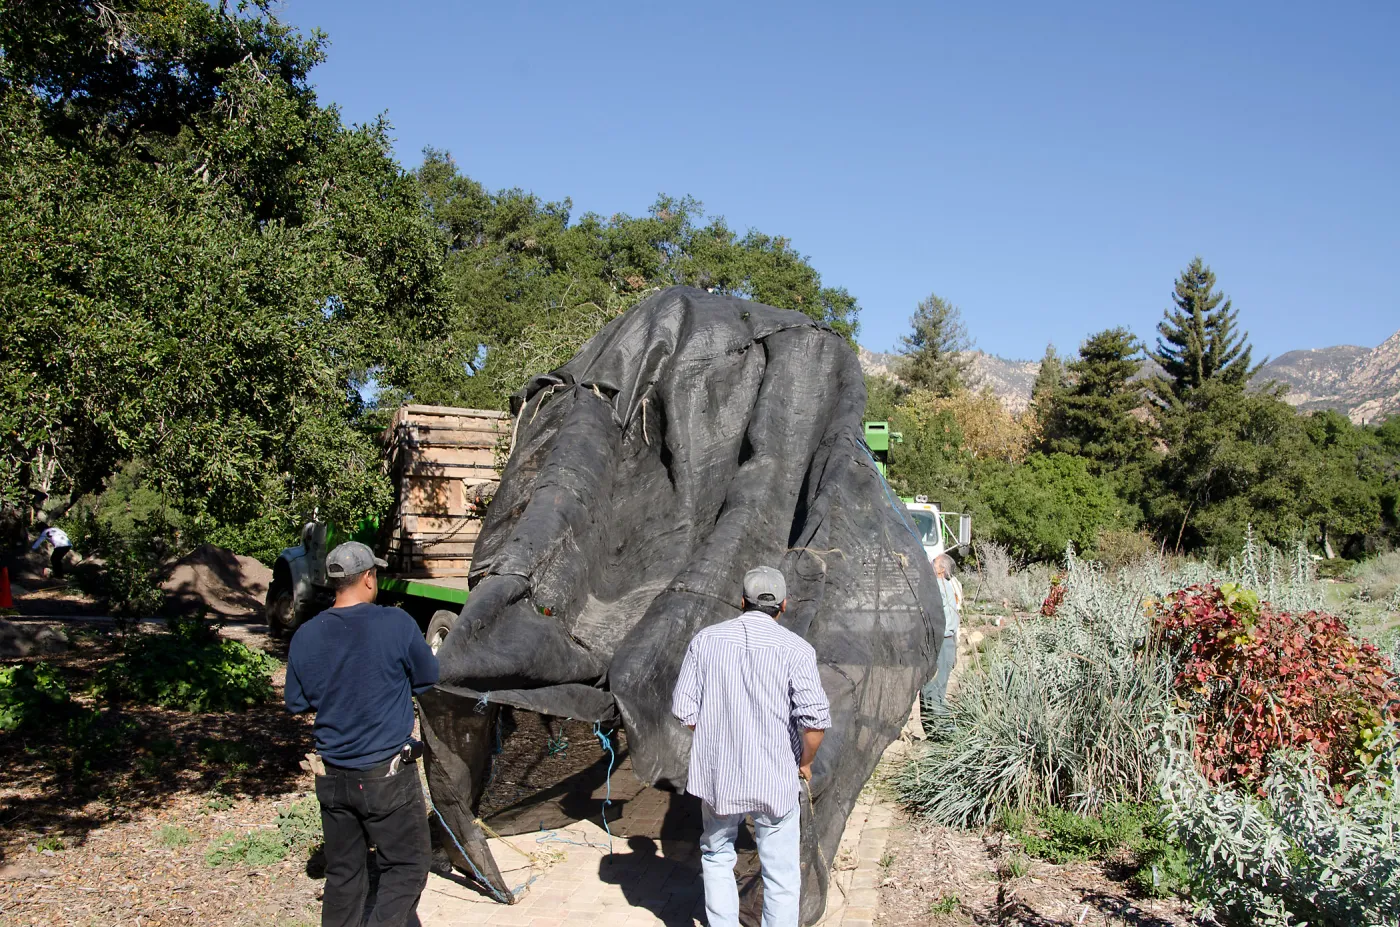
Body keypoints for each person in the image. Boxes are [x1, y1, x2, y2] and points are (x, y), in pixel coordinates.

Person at [285, 541, 440, 927]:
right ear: (369, 577)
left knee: (344, 875)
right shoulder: (396, 624)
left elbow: (296, 703)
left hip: (334, 777)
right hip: (387, 778)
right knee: (407, 866)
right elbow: (428, 678)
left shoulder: (305, 635)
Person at [671, 566, 831, 927]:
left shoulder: (705, 641)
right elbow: (815, 722)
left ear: (741, 601)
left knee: (716, 854)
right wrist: (805, 762)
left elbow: (684, 710)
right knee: (781, 873)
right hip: (775, 776)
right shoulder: (796, 649)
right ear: (784, 605)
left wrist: (718, 732)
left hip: (718, 777)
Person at [920, 554, 963, 716]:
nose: (931, 564)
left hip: (941, 644)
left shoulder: (936, 586)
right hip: (947, 643)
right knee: (935, 688)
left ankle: (943, 733)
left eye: (934, 563)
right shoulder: (947, 585)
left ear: (941, 569)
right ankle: (935, 732)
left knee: (933, 690)